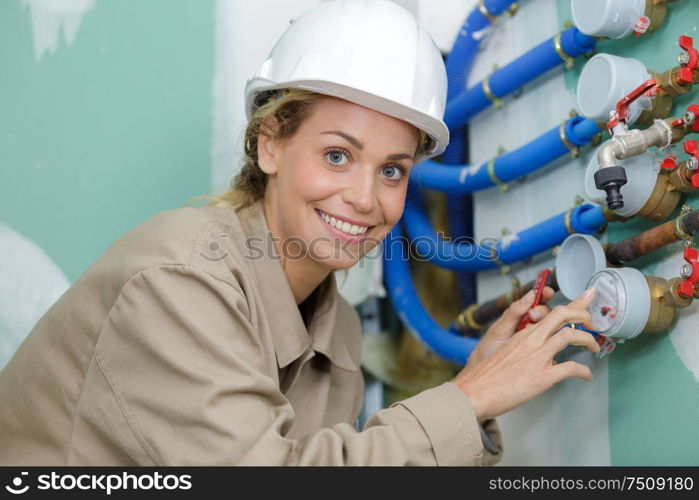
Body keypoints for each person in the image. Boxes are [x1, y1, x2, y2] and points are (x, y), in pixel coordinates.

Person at [0, 0, 599, 466]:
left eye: (392, 169)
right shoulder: (180, 280)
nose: (366, 198)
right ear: (270, 144)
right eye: (338, 155)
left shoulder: (334, 327)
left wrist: (474, 395)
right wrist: (467, 398)